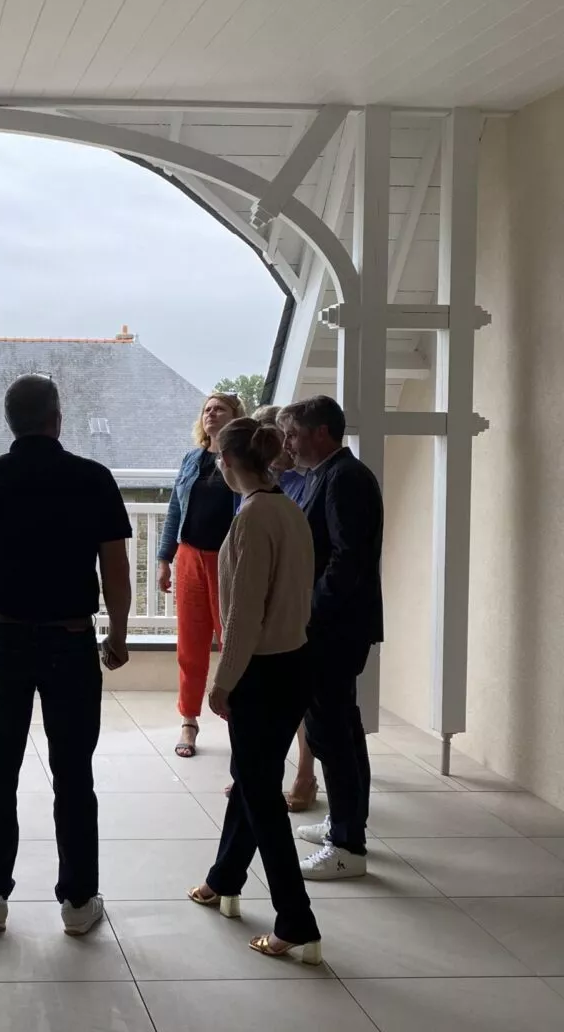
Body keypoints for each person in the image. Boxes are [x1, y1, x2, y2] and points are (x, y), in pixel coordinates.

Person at [0, 374, 132, 937]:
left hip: (2, 639)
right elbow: (116, 568)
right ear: (57, 418)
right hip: (70, 639)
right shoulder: (92, 479)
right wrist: (119, 633)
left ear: (11, 421)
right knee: (73, 772)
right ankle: (79, 903)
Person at [187, 417, 322, 965]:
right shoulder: (289, 508)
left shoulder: (252, 518)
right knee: (252, 776)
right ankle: (224, 878)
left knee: (262, 796)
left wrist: (222, 684)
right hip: (294, 662)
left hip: (261, 673)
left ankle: (297, 920)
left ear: (225, 463)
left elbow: (244, 616)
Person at [281, 396, 384, 881]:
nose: (289, 444)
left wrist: (309, 612)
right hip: (329, 626)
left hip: (333, 628)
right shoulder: (326, 474)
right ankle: (345, 823)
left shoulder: (346, 479)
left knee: (332, 734)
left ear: (322, 432)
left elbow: (348, 559)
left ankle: (347, 846)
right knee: (341, 727)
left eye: (295, 434)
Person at [157, 391, 245, 758]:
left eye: (219, 408)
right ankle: (189, 720)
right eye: (207, 409)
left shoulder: (243, 460)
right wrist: (164, 558)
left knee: (233, 642)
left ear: (235, 416)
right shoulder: (191, 459)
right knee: (190, 645)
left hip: (229, 561)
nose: (211, 413)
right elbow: (176, 509)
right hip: (190, 557)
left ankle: (239, 719)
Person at [256, 404, 318, 813]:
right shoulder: (255, 485)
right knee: (266, 698)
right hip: (266, 599)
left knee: (300, 698)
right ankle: (261, 777)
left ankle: (306, 774)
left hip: (298, 600)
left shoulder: (304, 482)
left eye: (279, 436)